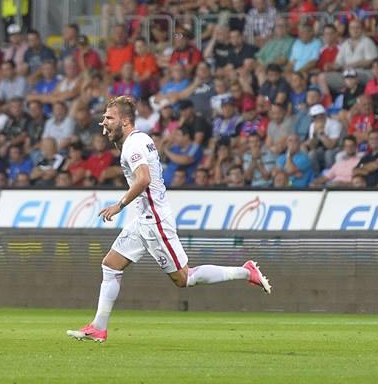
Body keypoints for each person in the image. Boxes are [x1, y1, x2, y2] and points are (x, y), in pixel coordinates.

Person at [67, 97, 272, 343]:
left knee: (184, 279)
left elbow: (143, 179)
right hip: (144, 220)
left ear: (124, 120)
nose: (104, 122)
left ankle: (245, 272)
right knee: (111, 264)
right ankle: (98, 327)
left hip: (155, 222)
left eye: (109, 118)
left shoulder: (134, 145)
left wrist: (119, 205)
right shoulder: (139, 140)